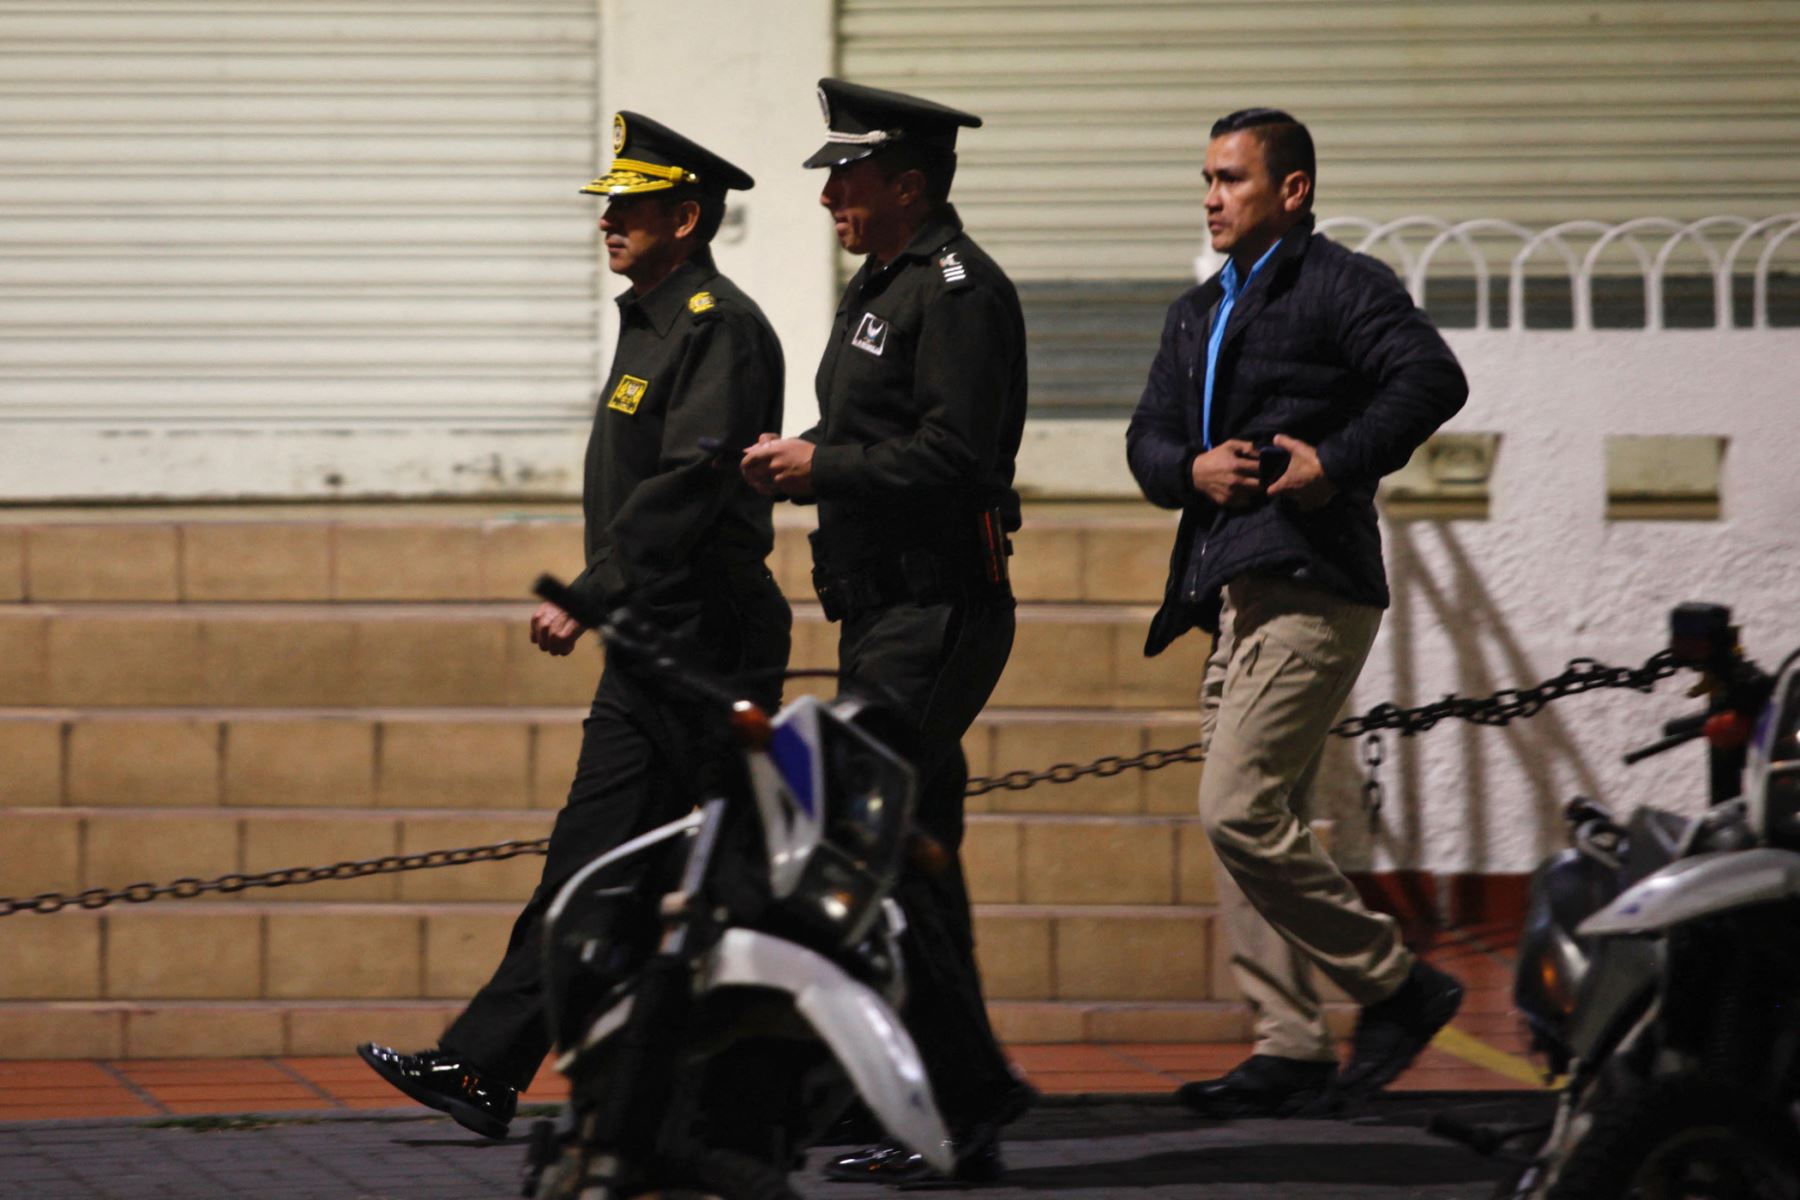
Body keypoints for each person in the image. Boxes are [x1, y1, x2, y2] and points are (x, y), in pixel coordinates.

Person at [358, 112, 791, 1139]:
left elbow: (690, 483)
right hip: (658, 642)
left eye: (631, 207)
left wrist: (589, 592)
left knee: (701, 874)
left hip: (702, 641)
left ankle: (778, 1089)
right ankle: (498, 1069)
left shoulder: (712, 325)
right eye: (609, 206)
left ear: (686, 217)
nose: (610, 221)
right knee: (605, 866)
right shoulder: (654, 319)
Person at [1125, 108, 1469, 1119]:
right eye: (1207, 178)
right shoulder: (1197, 312)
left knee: (1235, 807)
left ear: (1292, 191)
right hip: (1230, 593)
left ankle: (1399, 985)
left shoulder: (1340, 286)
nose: (1211, 196)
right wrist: (1190, 467)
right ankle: (1289, 1042)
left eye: (1231, 178)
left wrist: (1334, 461)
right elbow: (1146, 442)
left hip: (1314, 588)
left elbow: (1431, 378)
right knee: (1248, 823)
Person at [740, 78, 1033, 1186]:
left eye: (847, 178)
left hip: (937, 609)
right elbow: (876, 430)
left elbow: (962, 462)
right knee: (917, 862)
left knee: (875, 853)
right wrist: (798, 456)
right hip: (883, 612)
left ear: (908, 184)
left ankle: (959, 1103)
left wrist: (824, 464)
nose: (830, 199)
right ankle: (942, 1105)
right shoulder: (889, 286)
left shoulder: (957, 291)